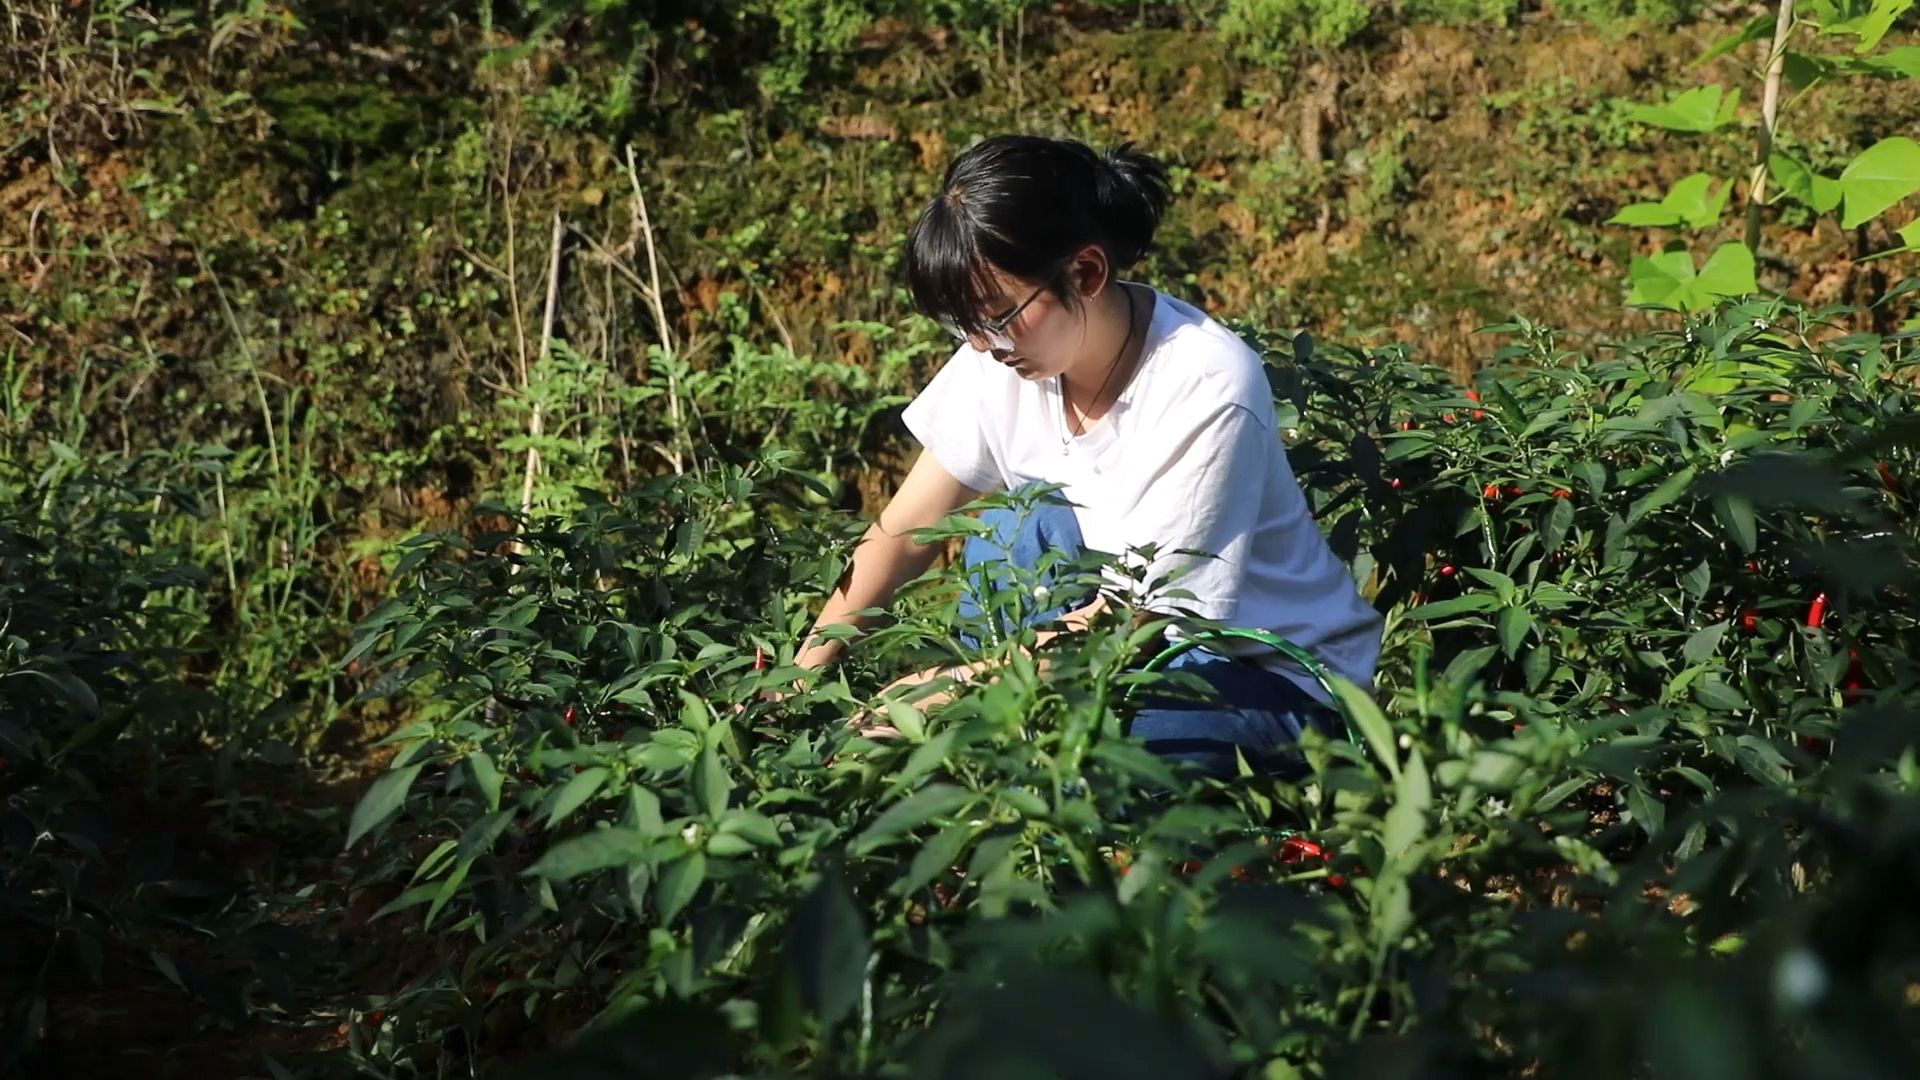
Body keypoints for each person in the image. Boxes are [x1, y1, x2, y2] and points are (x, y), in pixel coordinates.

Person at [790, 133, 1383, 777]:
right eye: (965, 325)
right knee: (1020, 524)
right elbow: (906, 530)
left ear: (1087, 273)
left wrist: (948, 691)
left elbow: (1138, 622)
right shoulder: (1009, 354)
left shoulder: (1207, 386)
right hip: (1128, 644)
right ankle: (1007, 745)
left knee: (1112, 754)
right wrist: (800, 679)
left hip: (1270, 675)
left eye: (995, 318)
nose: (983, 346)